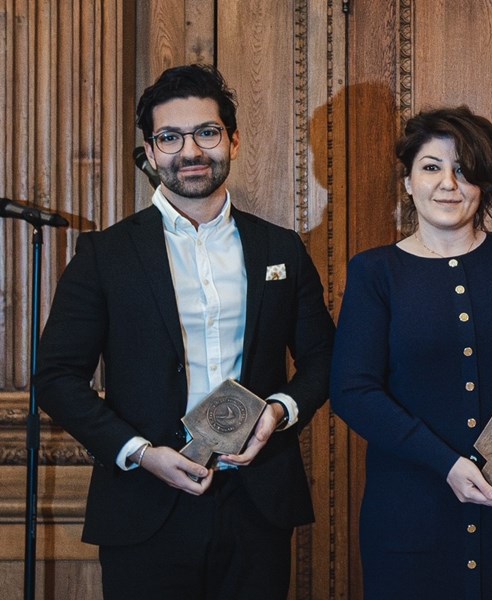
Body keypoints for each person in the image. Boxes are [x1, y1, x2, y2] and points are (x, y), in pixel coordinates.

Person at [35, 64, 335, 600]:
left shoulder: (280, 249)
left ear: (233, 141)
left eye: (207, 132)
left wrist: (279, 411)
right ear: (151, 153)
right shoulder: (104, 255)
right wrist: (141, 452)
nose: (190, 151)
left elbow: (324, 359)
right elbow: (57, 377)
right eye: (170, 137)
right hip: (144, 503)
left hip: (258, 500)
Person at [329, 106, 492, 599]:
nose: (449, 184)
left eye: (464, 170)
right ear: (408, 182)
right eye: (432, 167)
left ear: (483, 183)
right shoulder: (375, 272)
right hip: (410, 509)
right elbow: (352, 392)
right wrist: (447, 464)